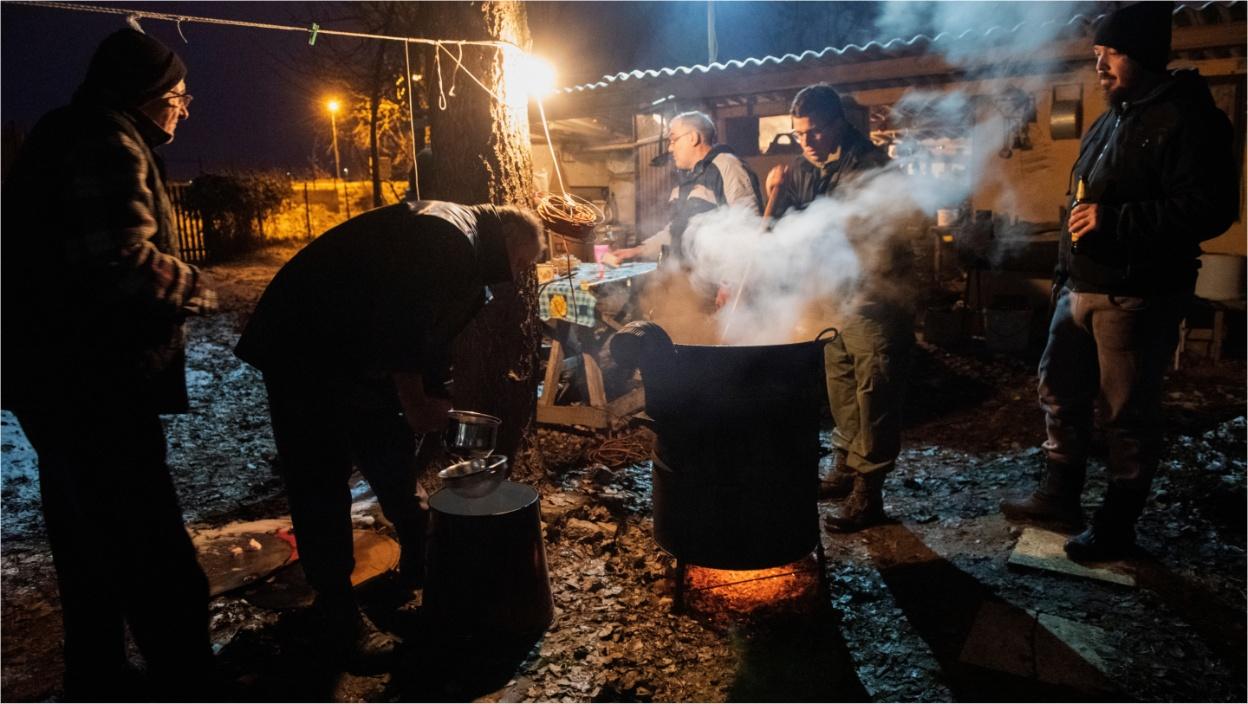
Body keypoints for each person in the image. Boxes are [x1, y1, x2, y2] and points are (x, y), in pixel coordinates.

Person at [234, 200, 545, 669]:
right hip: (305, 344)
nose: (517, 275)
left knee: (389, 449)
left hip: (358, 352)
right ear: (509, 241)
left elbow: (430, 336)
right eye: (521, 262)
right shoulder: (447, 236)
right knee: (319, 478)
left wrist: (435, 394)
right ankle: (337, 616)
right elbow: (403, 322)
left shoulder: (468, 252)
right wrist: (416, 403)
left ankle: (422, 570)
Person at [1, 28, 217, 700]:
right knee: (150, 544)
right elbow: (120, 259)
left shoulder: (67, 132)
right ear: (144, 93)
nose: (184, 109)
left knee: (85, 536)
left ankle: (96, 675)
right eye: (178, 96)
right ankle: (188, 682)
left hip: (53, 379)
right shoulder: (104, 139)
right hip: (94, 381)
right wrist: (198, 287)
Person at [1000, 1, 1238, 561]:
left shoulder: (1189, 118)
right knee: (1060, 393)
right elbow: (1081, 200)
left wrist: (1116, 221)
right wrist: (1064, 275)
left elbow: (1210, 209)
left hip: (1137, 292)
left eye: (1112, 54)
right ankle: (1059, 495)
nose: (1100, 65)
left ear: (1145, 55)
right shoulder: (1111, 118)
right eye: (1097, 54)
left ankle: (1117, 522)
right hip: (1079, 285)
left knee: (1126, 412)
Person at [769, 84, 914, 532]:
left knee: (874, 392)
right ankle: (844, 467)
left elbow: (869, 234)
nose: (806, 142)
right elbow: (785, 224)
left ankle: (869, 489)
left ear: (837, 124)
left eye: (814, 132)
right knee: (842, 383)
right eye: (798, 134)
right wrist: (776, 193)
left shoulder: (870, 166)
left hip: (872, 296)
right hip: (830, 296)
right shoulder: (802, 169)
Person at [608, 111, 762, 268]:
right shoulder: (687, 180)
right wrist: (636, 251)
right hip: (688, 276)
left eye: (674, 140)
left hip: (716, 277)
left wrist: (728, 279)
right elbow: (675, 232)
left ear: (693, 138)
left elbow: (747, 228)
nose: (670, 148)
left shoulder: (727, 166)